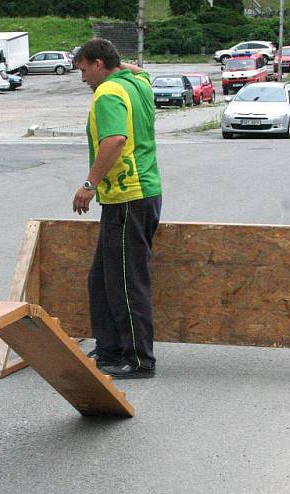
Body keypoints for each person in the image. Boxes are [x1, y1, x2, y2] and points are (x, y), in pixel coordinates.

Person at [72, 38, 162, 380]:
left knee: (127, 281)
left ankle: (139, 359)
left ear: (98, 64)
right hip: (136, 196)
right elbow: (140, 70)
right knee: (102, 278)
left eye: (83, 70)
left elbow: (114, 140)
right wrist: (117, 63)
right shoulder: (135, 84)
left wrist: (89, 184)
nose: (83, 79)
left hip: (129, 196)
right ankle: (109, 348)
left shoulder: (109, 93)